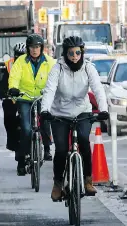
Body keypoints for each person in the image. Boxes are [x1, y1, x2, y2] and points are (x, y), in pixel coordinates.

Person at [40, 36, 109, 201]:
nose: (75, 56)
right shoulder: (58, 69)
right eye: (71, 53)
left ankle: (87, 180)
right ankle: (57, 184)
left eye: (78, 52)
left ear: (82, 53)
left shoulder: (88, 68)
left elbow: (98, 89)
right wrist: (45, 110)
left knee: (84, 141)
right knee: (62, 150)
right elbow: (50, 90)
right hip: (60, 113)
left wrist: (104, 110)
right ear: (65, 53)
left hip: (82, 111)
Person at [8, 34, 55, 176]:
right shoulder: (21, 61)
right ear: (28, 49)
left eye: (37, 47)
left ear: (42, 48)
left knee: (46, 122)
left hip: (42, 97)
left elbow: (55, 77)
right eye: (32, 47)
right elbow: (14, 77)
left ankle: (46, 148)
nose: (34, 50)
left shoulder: (50, 62)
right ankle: (21, 161)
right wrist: (13, 88)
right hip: (24, 98)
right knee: (26, 129)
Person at [0, 42, 27, 152]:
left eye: (22, 55)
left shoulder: (31, 65)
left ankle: (46, 144)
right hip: (12, 97)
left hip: (28, 97)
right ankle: (11, 141)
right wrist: (4, 94)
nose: (20, 58)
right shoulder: (10, 65)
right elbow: (4, 81)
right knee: (9, 117)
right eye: (18, 55)